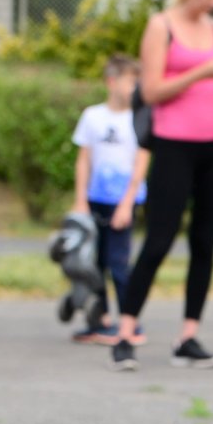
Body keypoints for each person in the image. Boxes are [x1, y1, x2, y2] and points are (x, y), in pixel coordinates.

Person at [112, 0, 213, 371]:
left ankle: (188, 336)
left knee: (204, 242)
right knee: (159, 239)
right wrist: (202, 71)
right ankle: (125, 332)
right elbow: (151, 92)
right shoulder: (161, 26)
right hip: (173, 144)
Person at [68, 55, 150, 344]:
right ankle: (100, 321)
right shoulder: (93, 116)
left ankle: (131, 324)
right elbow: (84, 161)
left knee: (119, 263)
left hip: (123, 203)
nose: (136, 87)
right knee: (94, 264)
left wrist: (128, 203)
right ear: (111, 81)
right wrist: (81, 200)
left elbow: (141, 162)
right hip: (95, 200)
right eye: (131, 81)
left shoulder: (139, 117)